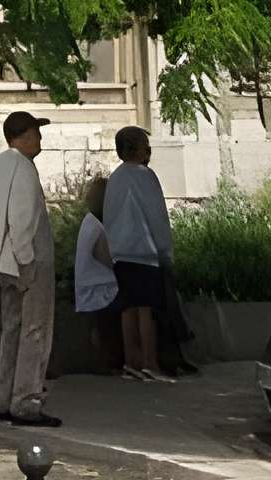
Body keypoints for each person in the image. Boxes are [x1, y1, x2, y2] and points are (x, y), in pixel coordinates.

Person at [0, 110, 58, 427]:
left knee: (12, 332)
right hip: (26, 260)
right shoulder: (23, 168)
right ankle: (26, 401)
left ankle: (4, 400)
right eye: (34, 132)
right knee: (34, 332)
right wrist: (27, 260)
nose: (40, 138)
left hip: (0, 263)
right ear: (20, 136)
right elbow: (20, 221)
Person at [104, 124, 175, 382]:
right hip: (143, 250)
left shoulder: (116, 177)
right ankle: (149, 362)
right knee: (145, 308)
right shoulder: (145, 176)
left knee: (128, 308)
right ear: (140, 149)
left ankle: (131, 361)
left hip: (120, 252)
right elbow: (157, 216)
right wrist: (165, 250)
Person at [73, 173, 120, 369]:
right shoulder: (96, 227)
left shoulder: (89, 221)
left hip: (91, 286)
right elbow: (109, 261)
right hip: (98, 290)